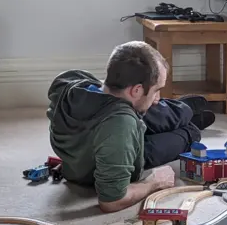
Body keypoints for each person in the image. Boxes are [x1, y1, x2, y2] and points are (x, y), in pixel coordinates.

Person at [46, 41, 215, 213]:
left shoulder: (67, 83)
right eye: (157, 90)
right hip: (123, 147)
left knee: (156, 110)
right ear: (136, 90)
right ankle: (187, 114)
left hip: (106, 132)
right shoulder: (120, 126)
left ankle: (183, 109)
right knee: (190, 132)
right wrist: (154, 182)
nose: (158, 97)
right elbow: (112, 201)